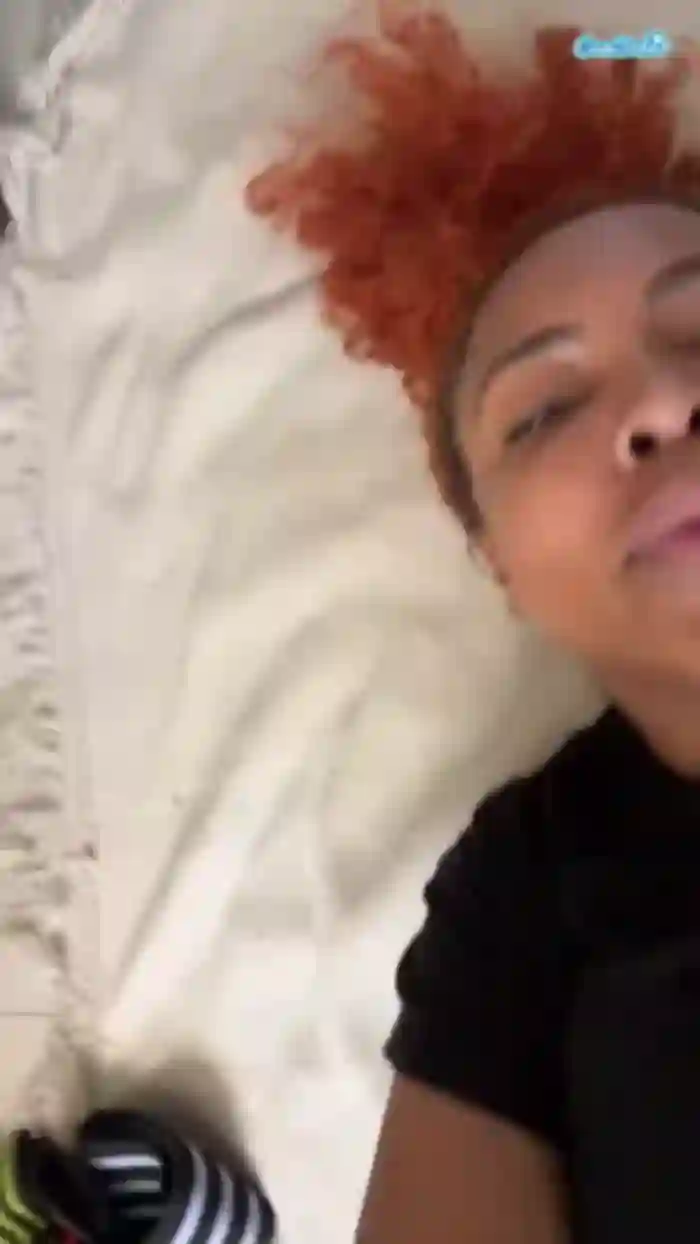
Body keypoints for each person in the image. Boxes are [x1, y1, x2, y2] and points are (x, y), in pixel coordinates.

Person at [247, 11, 700, 1242]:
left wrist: (625, 37)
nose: (661, 402)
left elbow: (624, 33)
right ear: (500, 568)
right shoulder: (526, 898)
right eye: (543, 411)